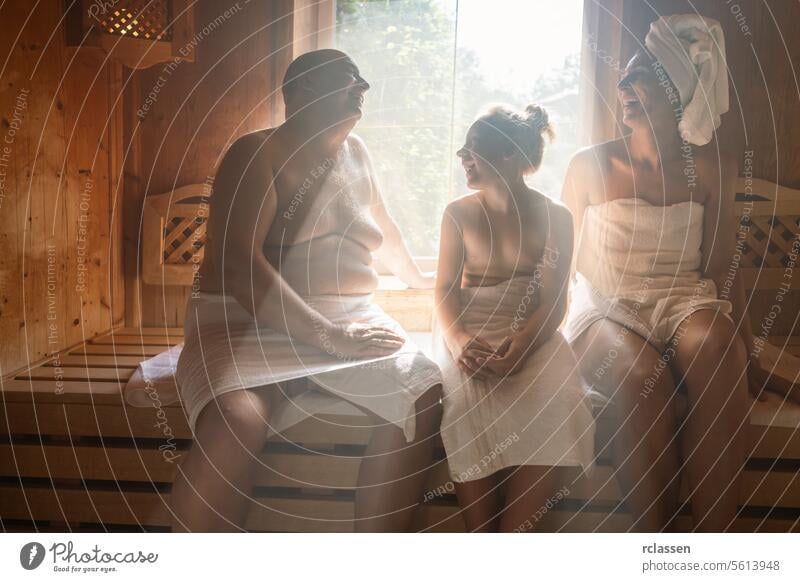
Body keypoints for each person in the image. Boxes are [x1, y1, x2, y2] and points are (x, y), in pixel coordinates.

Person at [171, 49, 443, 532]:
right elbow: (238, 268)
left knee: (422, 396)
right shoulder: (255, 154)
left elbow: (383, 228)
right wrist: (327, 336)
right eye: (346, 79)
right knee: (238, 420)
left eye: (361, 78)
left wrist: (423, 280)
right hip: (244, 324)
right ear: (298, 94)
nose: (362, 87)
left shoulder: (358, 153)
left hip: (352, 317)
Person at [561, 15, 751, 532]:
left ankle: (717, 544)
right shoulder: (590, 165)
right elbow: (556, 266)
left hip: (683, 298)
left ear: (677, 88)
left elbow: (719, 270)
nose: (623, 86)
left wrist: (742, 346)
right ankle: (656, 542)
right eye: (624, 74)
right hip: (605, 303)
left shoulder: (714, 166)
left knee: (715, 348)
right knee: (644, 377)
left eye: (641, 73)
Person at [433, 104, 595, 532]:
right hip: (471, 330)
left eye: (472, 148)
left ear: (508, 155)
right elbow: (445, 291)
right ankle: (482, 535)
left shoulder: (556, 216)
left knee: (563, 399)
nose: (461, 156)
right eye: (462, 149)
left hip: (534, 333)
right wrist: (460, 341)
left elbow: (555, 299)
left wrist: (522, 345)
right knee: (466, 402)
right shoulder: (458, 213)